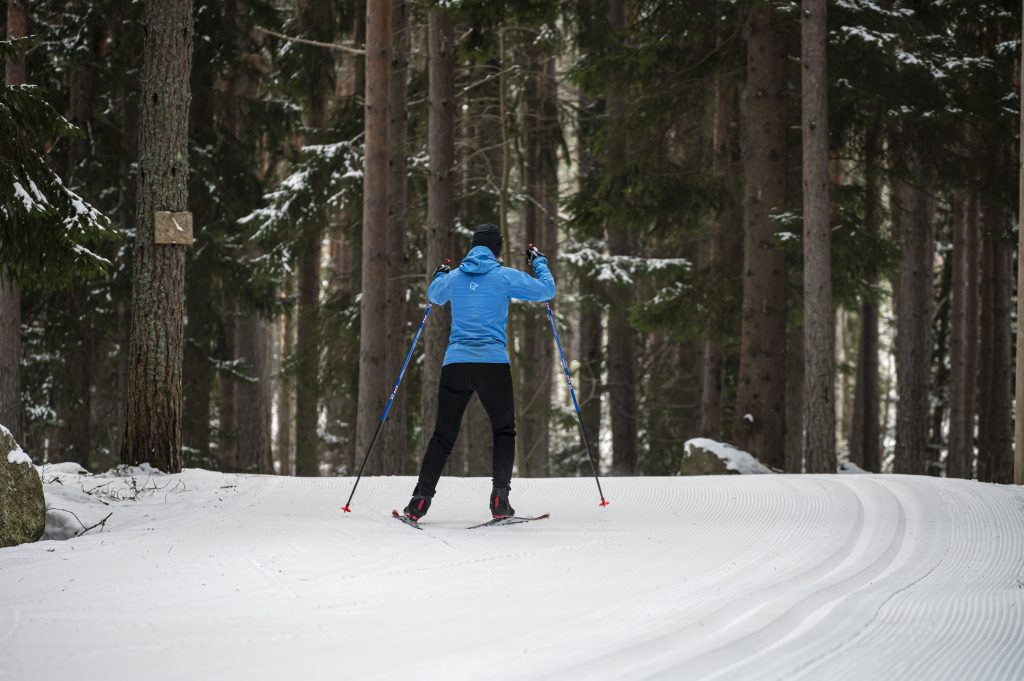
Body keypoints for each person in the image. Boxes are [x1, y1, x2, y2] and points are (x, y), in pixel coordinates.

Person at [403, 223, 556, 521]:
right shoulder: (504, 276)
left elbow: (434, 295)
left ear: (474, 247)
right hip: (492, 365)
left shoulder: (456, 277)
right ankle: (500, 500)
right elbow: (547, 290)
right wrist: (538, 261)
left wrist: (439, 274)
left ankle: (419, 502)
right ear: (496, 249)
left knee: (443, 437)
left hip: (456, 364)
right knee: (503, 431)